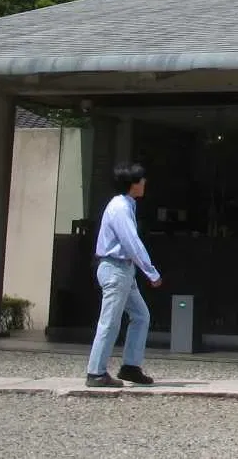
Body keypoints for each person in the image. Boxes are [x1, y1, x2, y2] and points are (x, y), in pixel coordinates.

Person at [85, 163, 162, 388]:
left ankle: (130, 367)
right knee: (109, 321)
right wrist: (151, 272)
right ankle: (96, 372)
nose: (144, 183)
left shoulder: (125, 205)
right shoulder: (120, 207)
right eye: (141, 180)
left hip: (123, 270)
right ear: (132, 185)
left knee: (141, 315)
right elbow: (131, 242)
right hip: (116, 269)